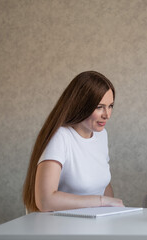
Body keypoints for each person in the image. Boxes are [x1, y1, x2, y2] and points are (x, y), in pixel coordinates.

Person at [23, 71, 124, 213]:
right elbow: (45, 200)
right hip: (60, 228)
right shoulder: (60, 137)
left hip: (91, 225)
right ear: (81, 105)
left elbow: (104, 185)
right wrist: (100, 202)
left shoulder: (101, 135)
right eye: (99, 107)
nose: (107, 115)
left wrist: (112, 213)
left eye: (110, 106)